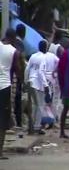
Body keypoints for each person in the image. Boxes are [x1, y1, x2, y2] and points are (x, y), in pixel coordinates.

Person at [0, 29, 23, 159]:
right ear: (13, 39)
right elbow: (17, 69)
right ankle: (0, 152)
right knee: (3, 121)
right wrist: (22, 81)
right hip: (4, 87)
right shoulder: (13, 51)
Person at [25, 40, 49, 135]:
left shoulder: (33, 56)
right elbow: (41, 72)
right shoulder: (43, 57)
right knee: (39, 106)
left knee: (34, 105)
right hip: (38, 84)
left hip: (31, 82)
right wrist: (46, 85)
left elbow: (27, 69)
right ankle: (37, 127)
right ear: (45, 48)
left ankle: (31, 125)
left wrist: (25, 81)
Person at [12, 24, 26, 128]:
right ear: (23, 33)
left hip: (10, 74)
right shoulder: (20, 43)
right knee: (16, 99)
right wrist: (22, 77)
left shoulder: (11, 42)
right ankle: (17, 122)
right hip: (16, 75)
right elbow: (20, 62)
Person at [43, 43, 60, 120]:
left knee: (44, 100)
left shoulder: (39, 56)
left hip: (42, 79)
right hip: (51, 79)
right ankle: (52, 117)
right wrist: (55, 71)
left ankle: (46, 118)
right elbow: (60, 62)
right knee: (51, 100)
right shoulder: (52, 56)